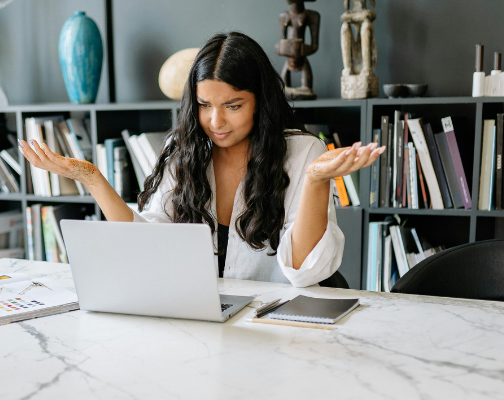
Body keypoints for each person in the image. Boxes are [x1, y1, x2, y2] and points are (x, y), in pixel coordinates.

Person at [20, 31, 384, 287]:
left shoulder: (302, 152)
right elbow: (146, 247)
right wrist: (91, 177)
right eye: (204, 105)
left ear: (261, 101)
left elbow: (305, 272)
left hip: (273, 325)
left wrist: (316, 180)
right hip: (201, 321)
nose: (216, 121)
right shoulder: (184, 152)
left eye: (233, 106)